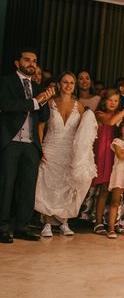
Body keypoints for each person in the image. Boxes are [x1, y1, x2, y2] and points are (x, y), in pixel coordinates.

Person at [0, 49, 55, 243]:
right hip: (11, 141)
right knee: (6, 186)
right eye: (27, 60)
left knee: (27, 187)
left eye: (34, 61)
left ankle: (22, 227)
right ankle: (2, 228)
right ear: (17, 63)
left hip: (31, 144)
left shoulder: (38, 87)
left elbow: (44, 117)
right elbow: (7, 106)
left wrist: (45, 101)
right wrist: (34, 102)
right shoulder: (6, 82)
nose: (31, 63)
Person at [35, 72, 96, 237]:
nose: (68, 85)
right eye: (65, 82)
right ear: (59, 84)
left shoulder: (80, 106)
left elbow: (84, 131)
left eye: (71, 83)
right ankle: (46, 223)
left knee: (67, 186)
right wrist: (40, 148)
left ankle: (64, 222)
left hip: (69, 150)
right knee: (46, 185)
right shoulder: (50, 103)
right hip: (51, 148)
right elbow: (40, 126)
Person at [92, 89, 124, 234]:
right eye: (110, 100)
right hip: (104, 153)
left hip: (116, 154)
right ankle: (97, 222)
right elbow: (110, 122)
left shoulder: (120, 116)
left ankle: (114, 222)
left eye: (116, 101)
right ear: (104, 101)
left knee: (117, 190)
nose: (113, 103)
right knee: (103, 189)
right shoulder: (100, 114)